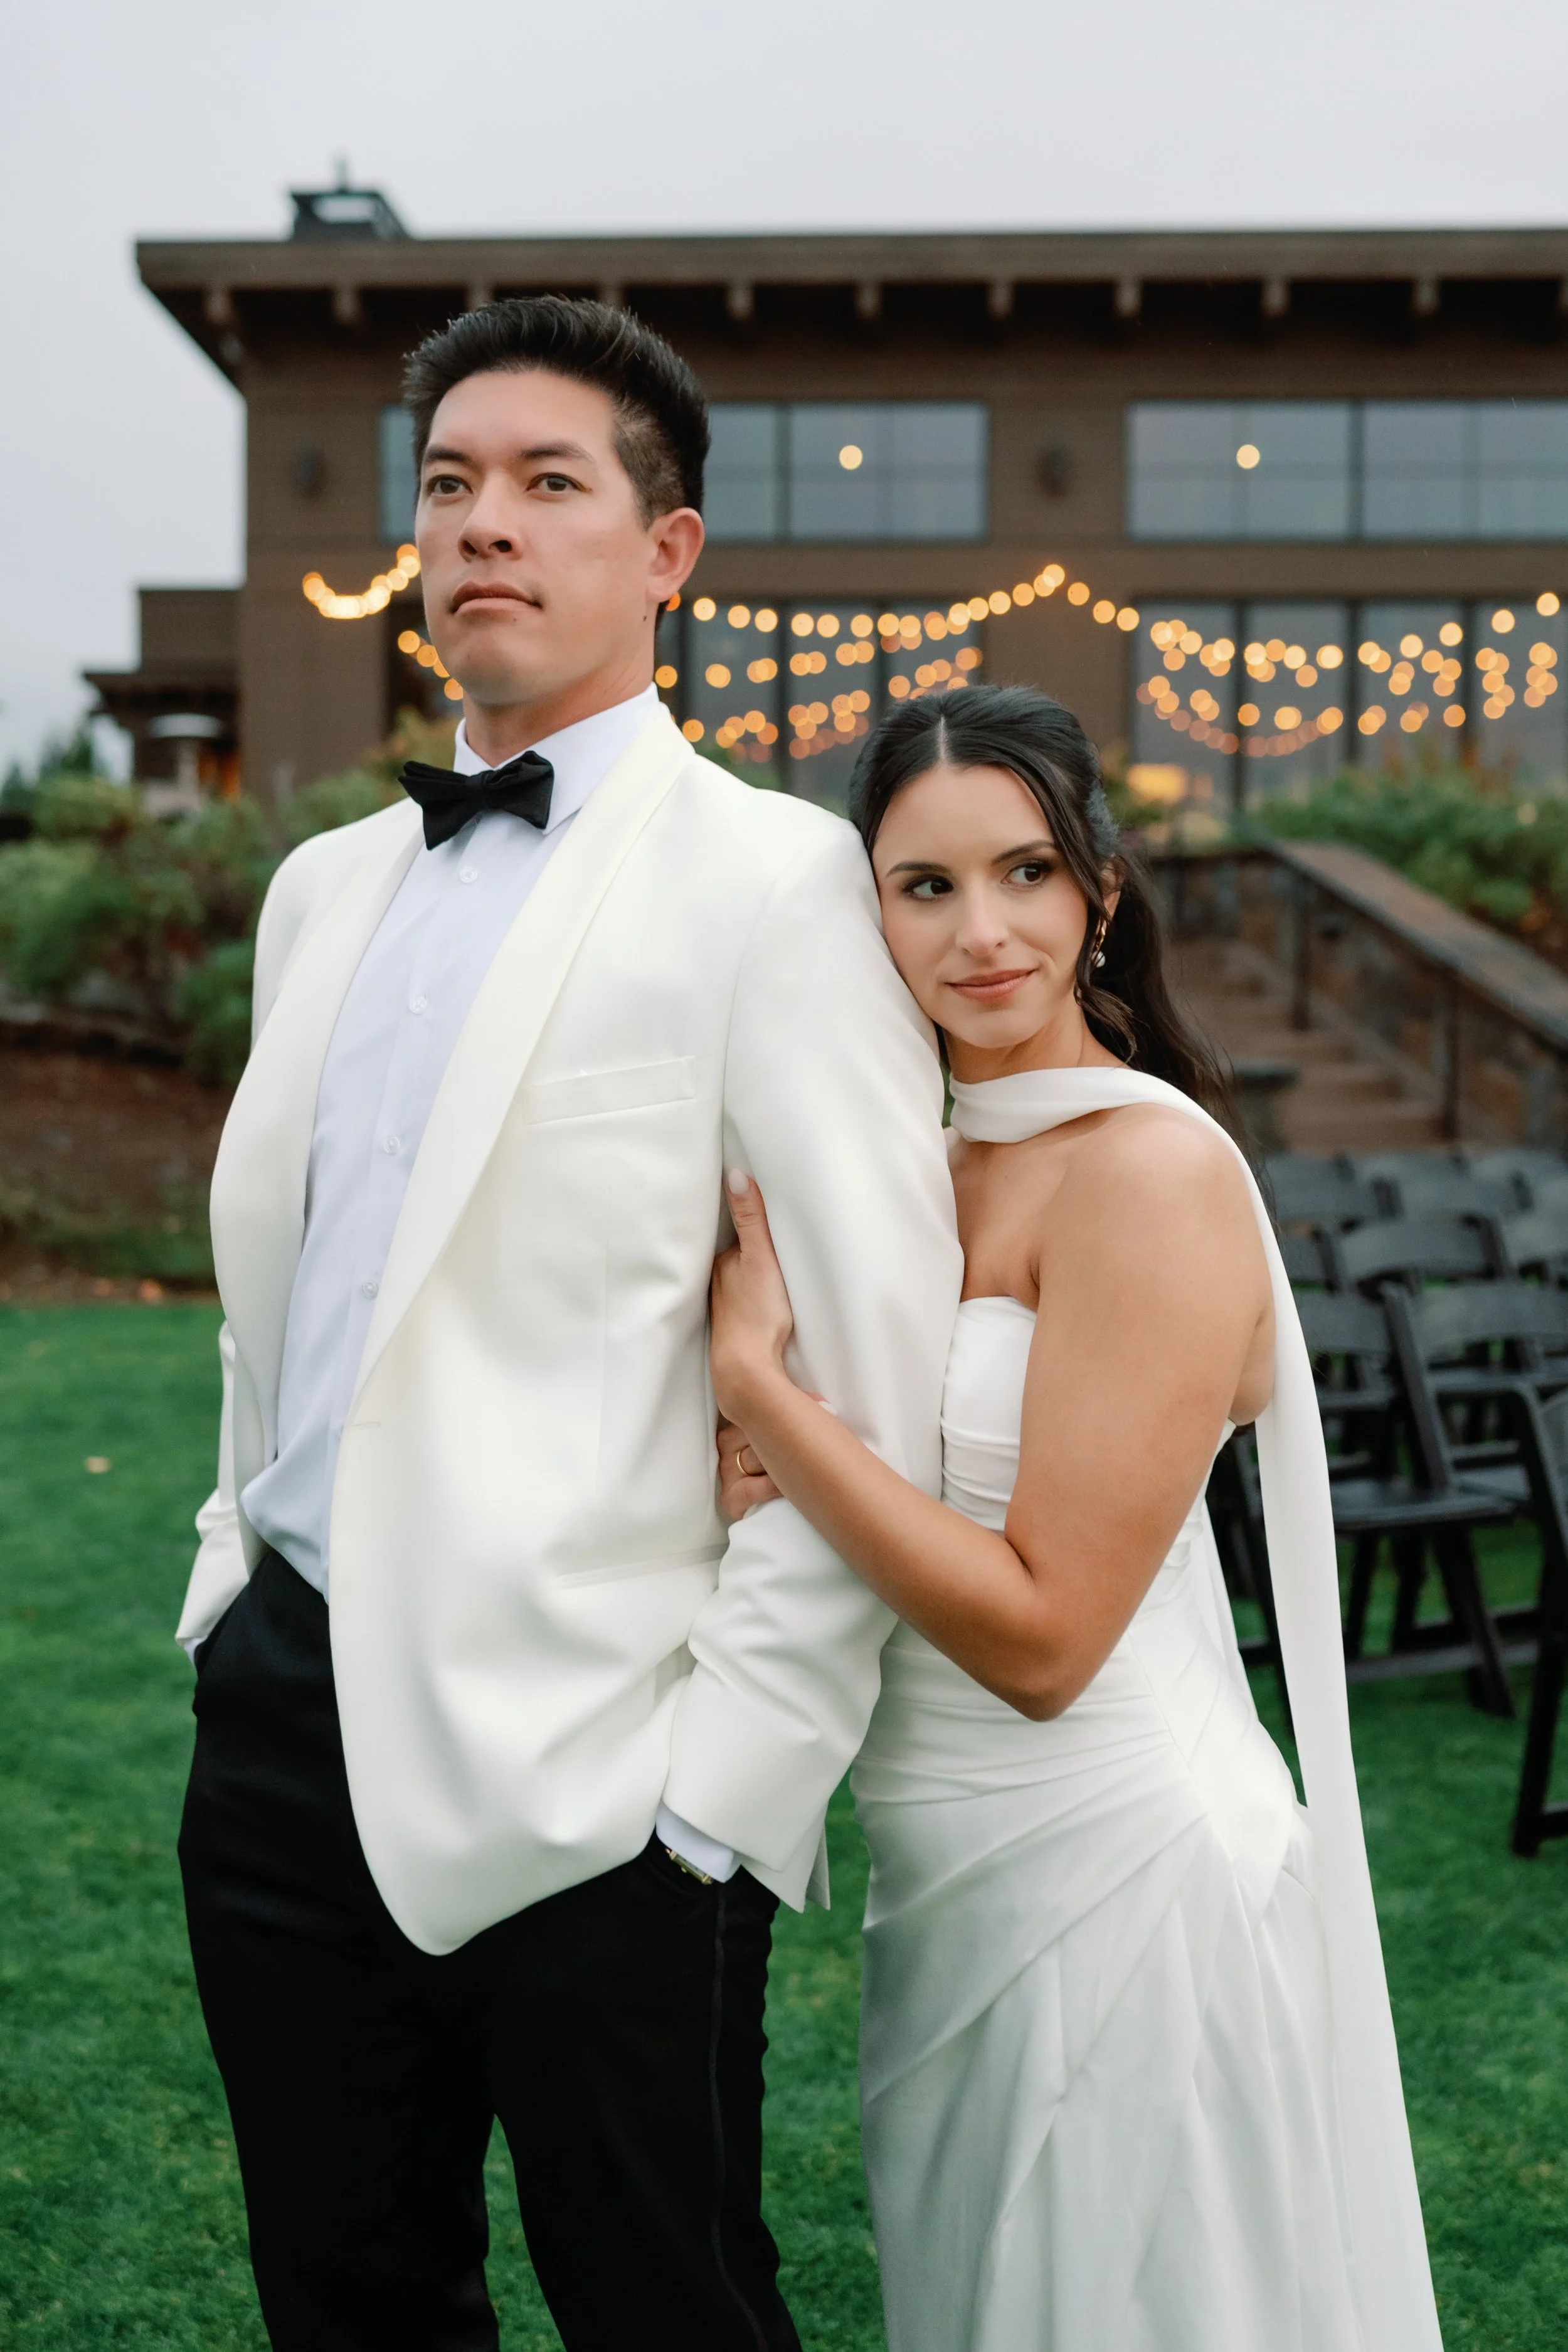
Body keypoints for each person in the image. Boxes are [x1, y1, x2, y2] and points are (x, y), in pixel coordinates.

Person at [174, 294, 961, 2351]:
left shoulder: (782, 885)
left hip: (609, 1770)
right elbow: (297, 1288)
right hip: (282, 1726)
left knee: (668, 2310)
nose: (483, 526)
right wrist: (227, 1575)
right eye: (449, 485)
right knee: (345, 2299)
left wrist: (722, 1788)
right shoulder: (323, 891)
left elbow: (864, 1369)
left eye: (547, 484)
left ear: (667, 551)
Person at [709, 683, 1444, 2351]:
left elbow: (1044, 1638)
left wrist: (769, 1399)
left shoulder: (1143, 1173)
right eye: (925, 885)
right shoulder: (919, 1154)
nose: (982, 931)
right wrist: (736, 1463)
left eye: (1026, 872)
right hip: (944, 1872)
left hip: (1122, 1870)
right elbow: (878, 1473)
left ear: (1099, 890)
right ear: (867, 908)